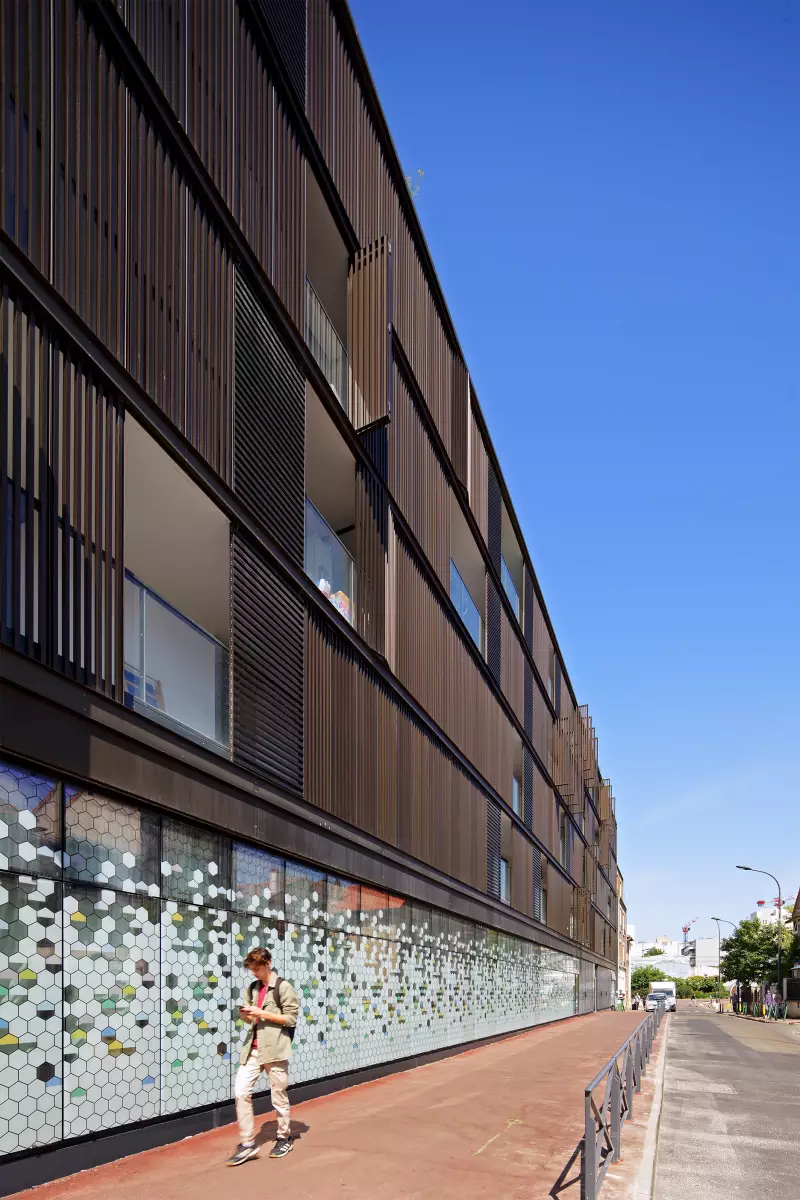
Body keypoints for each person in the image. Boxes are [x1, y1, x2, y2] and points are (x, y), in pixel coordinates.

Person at [227, 947, 300, 1167]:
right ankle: (248, 1143)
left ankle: (284, 1138)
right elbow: (252, 1021)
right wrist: (247, 1015)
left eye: (257, 969)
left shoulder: (283, 987)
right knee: (241, 1092)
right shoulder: (252, 988)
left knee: (278, 1096)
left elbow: (291, 1019)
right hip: (253, 1049)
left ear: (267, 964)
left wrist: (262, 1013)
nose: (254, 973)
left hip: (275, 1050)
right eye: (252, 969)